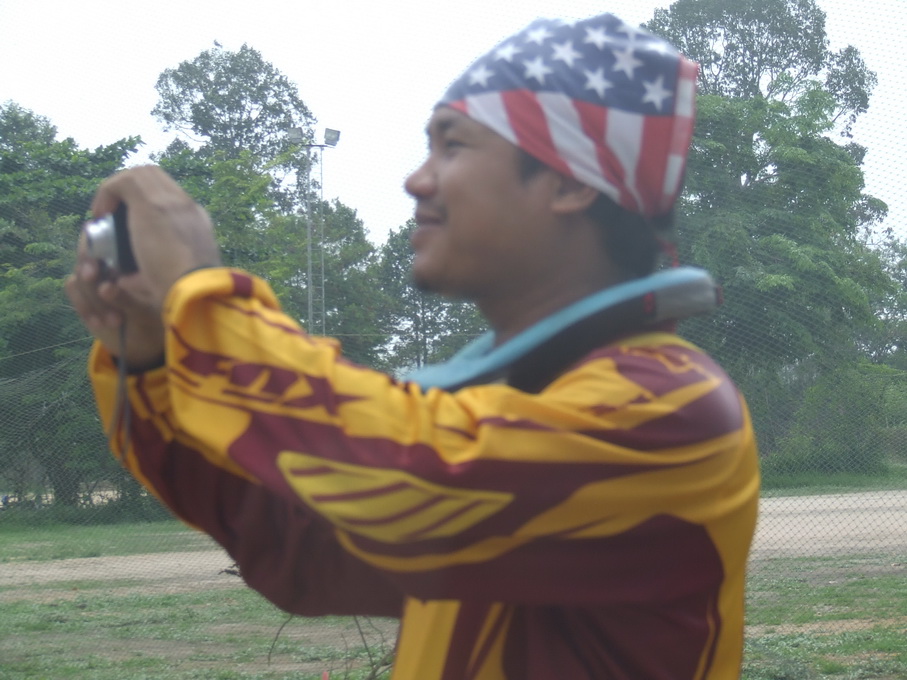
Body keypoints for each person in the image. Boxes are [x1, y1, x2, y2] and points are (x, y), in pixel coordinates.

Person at [67, 12, 760, 680]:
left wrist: (197, 299)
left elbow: (412, 474)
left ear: (571, 181)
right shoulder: (515, 406)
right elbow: (298, 551)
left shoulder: (671, 410)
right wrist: (153, 360)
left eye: (452, 146)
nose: (416, 180)